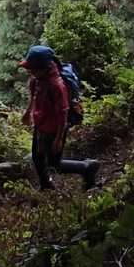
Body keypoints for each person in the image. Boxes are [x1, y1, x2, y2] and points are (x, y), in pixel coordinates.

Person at [18, 44, 99, 191]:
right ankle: (46, 186)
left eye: (33, 69)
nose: (30, 71)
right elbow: (34, 97)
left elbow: (63, 113)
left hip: (54, 129)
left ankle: (88, 167)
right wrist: (27, 113)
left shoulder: (57, 86)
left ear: (43, 68)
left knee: (54, 164)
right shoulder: (37, 79)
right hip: (40, 126)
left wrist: (59, 138)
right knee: (37, 157)